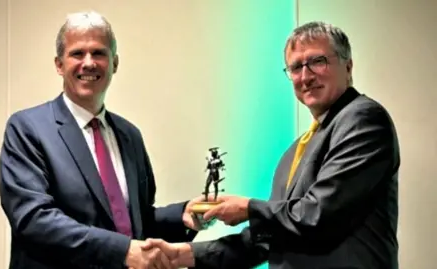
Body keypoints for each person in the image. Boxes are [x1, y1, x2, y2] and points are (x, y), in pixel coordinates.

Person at [142, 21, 400, 269]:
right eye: (295, 67)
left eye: (317, 61)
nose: (305, 76)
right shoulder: (295, 151)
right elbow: (268, 237)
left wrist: (248, 208)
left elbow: (319, 216)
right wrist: (182, 255)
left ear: (348, 66)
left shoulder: (363, 119)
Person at [0, 11, 207, 269]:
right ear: (59, 65)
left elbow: (132, 222)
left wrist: (183, 215)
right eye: (77, 53)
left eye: (98, 53)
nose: (89, 63)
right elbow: (33, 220)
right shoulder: (27, 129)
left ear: (115, 63)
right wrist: (123, 251)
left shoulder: (130, 135)